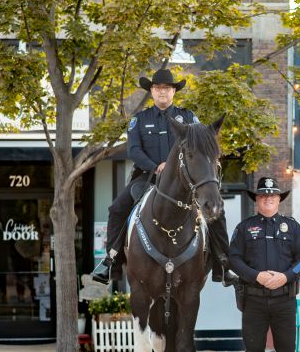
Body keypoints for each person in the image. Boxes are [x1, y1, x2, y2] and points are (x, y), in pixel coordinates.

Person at [91, 68, 239, 288]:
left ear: (173, 92)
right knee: (117, 209)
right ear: (151, 91)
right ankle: (111, 260)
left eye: (167, 88)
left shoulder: (189, 118)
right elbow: (134, 150)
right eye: (158, 88)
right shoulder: (139, 119)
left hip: (185, 182)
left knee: (216, 210)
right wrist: (156, 166)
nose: (163, 92)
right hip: (147, 178)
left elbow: (199, 148)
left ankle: (223, 264)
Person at [229, 176, 300, 352]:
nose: (268, 199)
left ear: (278, 200)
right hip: (254, 299)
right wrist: (256, 276)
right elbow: (234, 259)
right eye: (263, 196)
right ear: (257, 200)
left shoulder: (292, 227)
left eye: (272, 196)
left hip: (284, 299)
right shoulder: (244, 228)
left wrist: (286, 277)